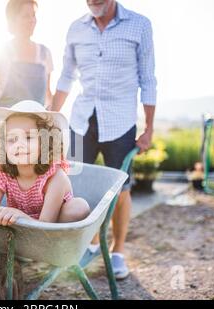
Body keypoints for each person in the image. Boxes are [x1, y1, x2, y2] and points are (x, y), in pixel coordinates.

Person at [50, 0, 157, 279]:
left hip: (120, 121)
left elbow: (148, 79)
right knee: (72, 183)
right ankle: (92, 245)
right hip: (81, 119)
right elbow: (66, 76)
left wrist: (149, 128)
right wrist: (50, 116)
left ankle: (118, 251)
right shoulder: (76, 29)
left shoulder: (139, 25)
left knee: (120, 189)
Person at [0, 100, 90, 226]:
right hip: (22, 231)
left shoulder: (55, 178)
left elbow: (46, 225)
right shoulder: (4, 174)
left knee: (79, 207)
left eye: (29, 137)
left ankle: (65, 244)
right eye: (12, 139)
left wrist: (20, 216)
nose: (19, 145)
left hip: (52, 228)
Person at [0, 0, 54, 121]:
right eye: (26, 16)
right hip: (3, 126)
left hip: (35, 129)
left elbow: (48, 95)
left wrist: (51, 121)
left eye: (33, 15)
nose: (32, 20)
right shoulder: (0, 54)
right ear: (12, 20)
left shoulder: (45, 54)